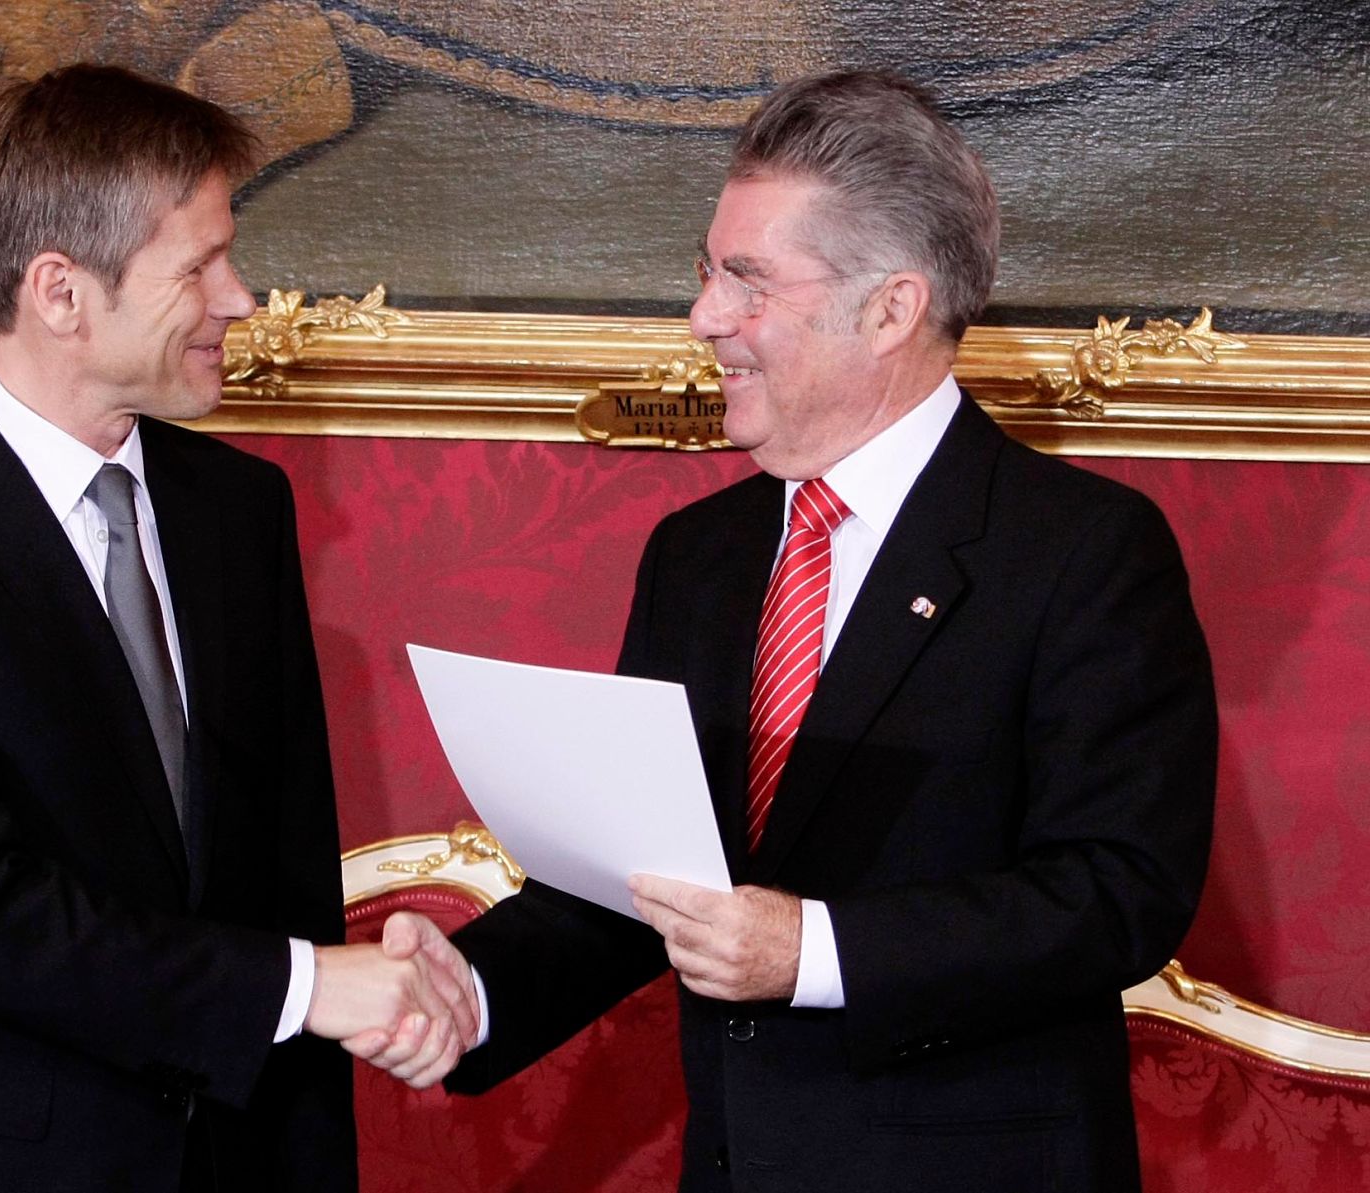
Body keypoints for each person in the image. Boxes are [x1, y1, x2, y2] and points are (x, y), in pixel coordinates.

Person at [357, 71, 1217, 1192]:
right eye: (706, 272)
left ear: (889, 308)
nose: (704, 315)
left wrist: (811, 951)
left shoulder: (1082, 550)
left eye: (746, 281)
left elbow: (1118, 891)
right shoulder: (697, 553)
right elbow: (646, 873)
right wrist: (468, 990)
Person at [0, 64, 471, 1193]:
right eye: (199, 266)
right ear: (60, 293)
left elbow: (278, 880)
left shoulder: (239, 510)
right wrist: (301, 986)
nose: (241, 297)